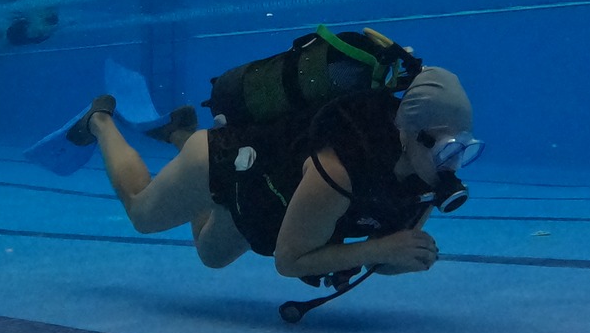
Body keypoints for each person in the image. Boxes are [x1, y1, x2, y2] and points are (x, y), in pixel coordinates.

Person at [68, 49, 479, 284]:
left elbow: (381, 255)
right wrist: (383, 249)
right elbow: (290, 261)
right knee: (142, 214)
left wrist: (402, 257)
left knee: (211, 256)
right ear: (408, 132)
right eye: (442, 148)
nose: (451, 164)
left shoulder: (425, 182)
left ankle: (179, 133)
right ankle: (100, 120)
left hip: (261, 188)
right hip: (224, 159)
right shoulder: (338, 169)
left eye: (462, 149)